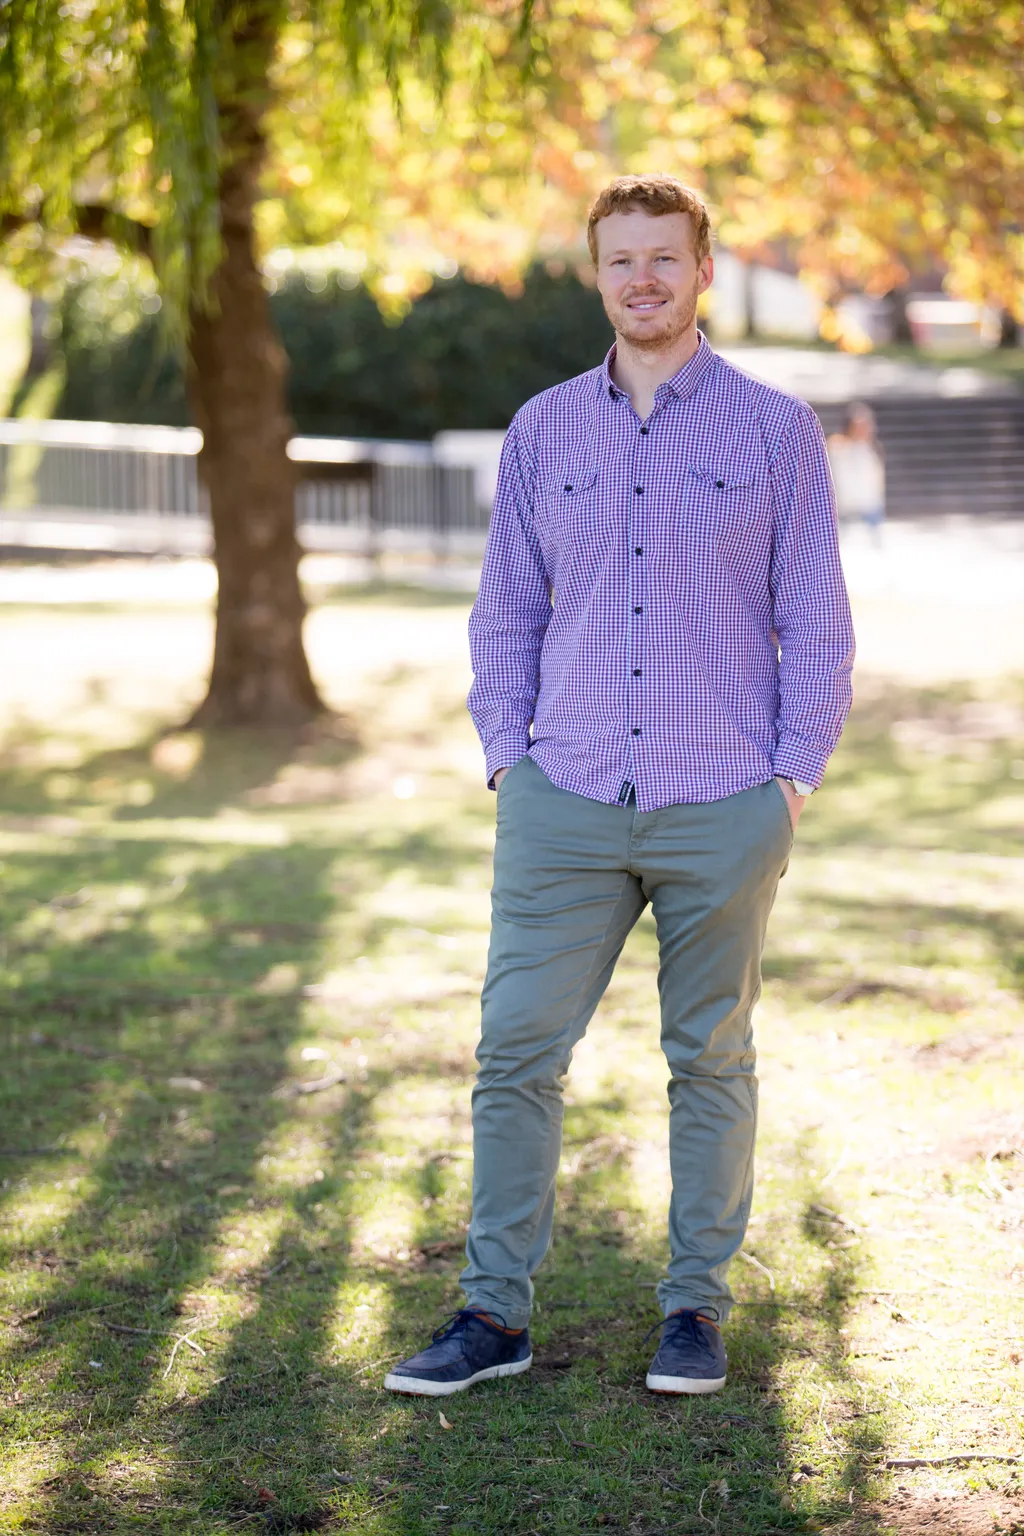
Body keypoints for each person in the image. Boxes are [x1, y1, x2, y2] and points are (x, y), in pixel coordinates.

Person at [384, 174, 855, 1400]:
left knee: (710, 1059)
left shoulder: (771, 429)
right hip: (565, 793)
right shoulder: (542, 430)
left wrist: (790, 777)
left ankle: (695, 1306)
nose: (641, 279)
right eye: (618, 261)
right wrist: (506, 756)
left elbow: (815, 618)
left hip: (725, 797)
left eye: (664, 258)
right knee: (514, 1054)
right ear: (595, 275)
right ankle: (494, 1314)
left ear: (703, 269)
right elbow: (506, 613)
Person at [827, 402, 886, 545]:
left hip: (869, 503)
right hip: (845, 504)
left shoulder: (871, 448)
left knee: (875, 544)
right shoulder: (838, 445)